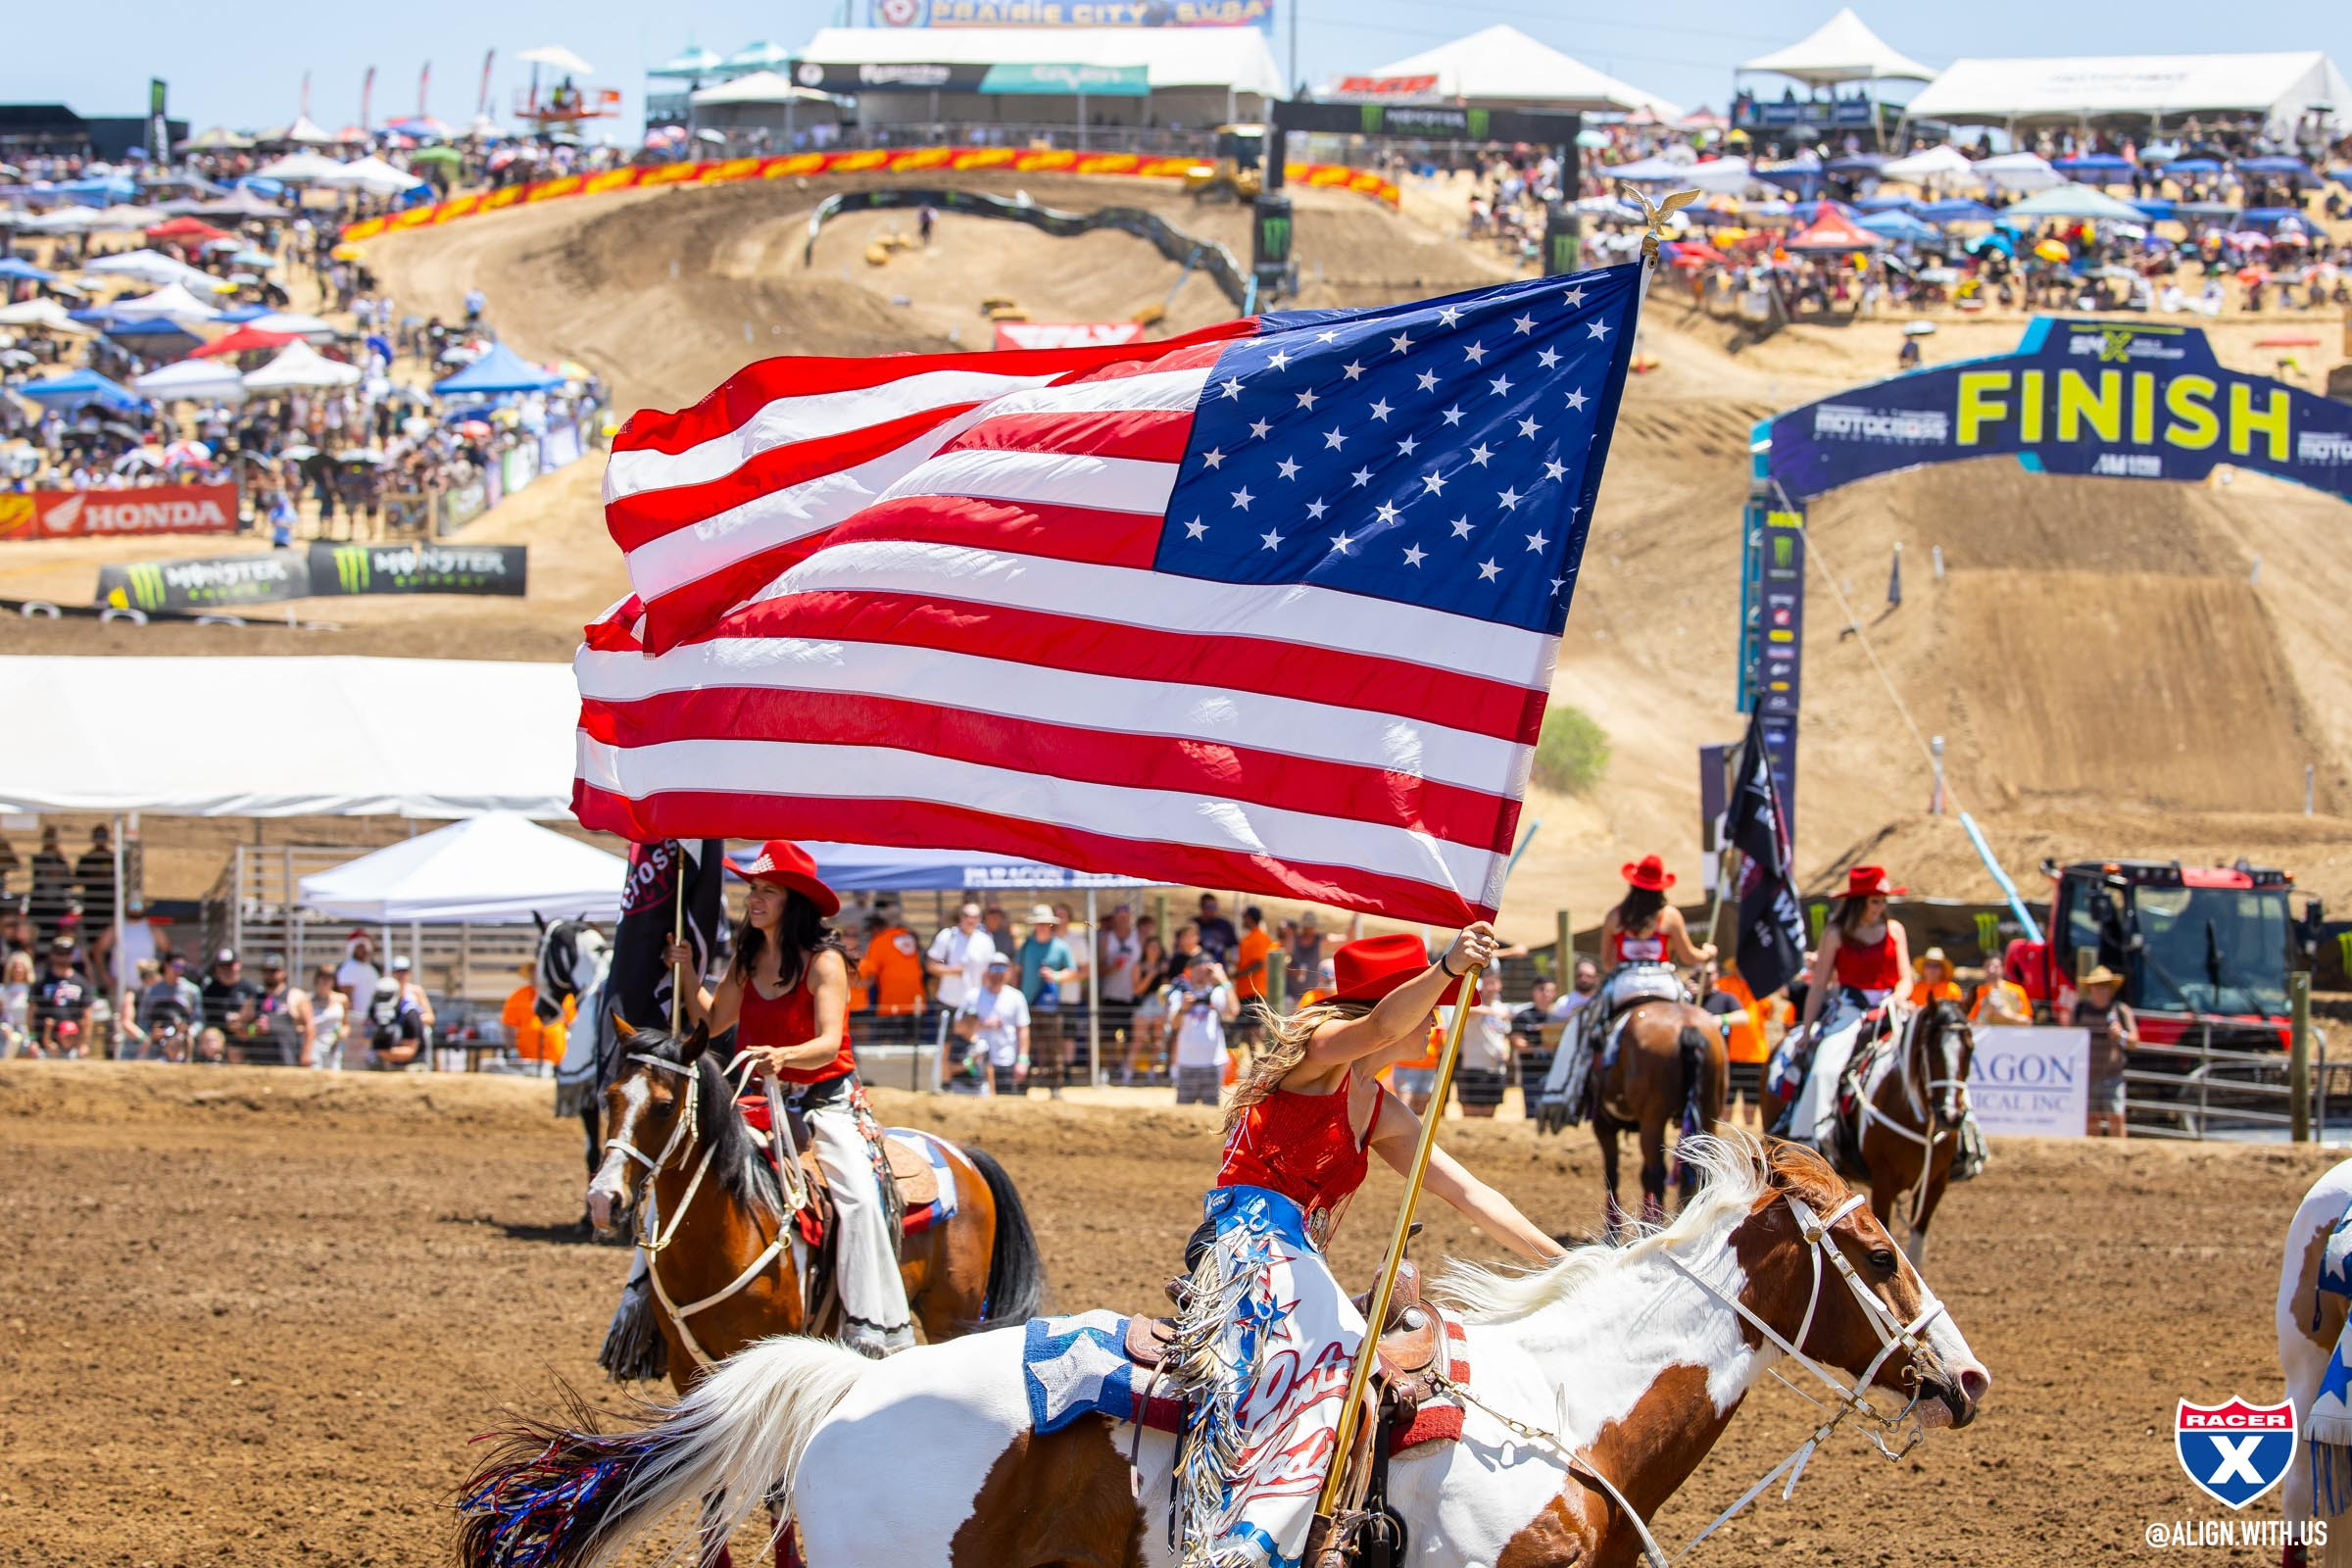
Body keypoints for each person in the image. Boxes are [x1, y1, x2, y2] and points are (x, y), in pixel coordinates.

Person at [1171, 924, 1565, 1565]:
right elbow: (1382, 1026)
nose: (1438, 1023)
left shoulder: (1381, 1109)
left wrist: (1566, 1263)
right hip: (1247, 1242)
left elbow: (1470, 1194)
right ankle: (1248, 1544)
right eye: (1430, 1008)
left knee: (1364, 1373)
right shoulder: (1322, 1051)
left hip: (1296, 1257)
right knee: (1336, 1362)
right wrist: (1444, 967)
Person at [665, 839, 913, 1357]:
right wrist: (686, 972)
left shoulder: (824, 962)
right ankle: (646, 1312)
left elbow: (828, 1040)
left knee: (859, 1199)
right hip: (757, 1100)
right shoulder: (746, 960)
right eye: (752, 889)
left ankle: (871, 1328)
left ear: (792, 900)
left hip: (826, 1103)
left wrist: (784, 1055)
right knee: (680, 1173)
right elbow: (712, 1022)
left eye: (766, 891)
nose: (753, 899)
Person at [1547, 856, 1714, 1124]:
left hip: (1625, 982)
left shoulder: (1616, 916)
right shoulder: (1670, 916)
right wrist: (1706, 953)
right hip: (1664, 981)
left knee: (1586, 1024)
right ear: (1661, 887)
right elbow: (1688, 956)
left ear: (1633, 885)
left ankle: (1566, 1092)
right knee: (1692, 1016)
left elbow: (1607, 961)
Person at [1772, 865, 1911, 1136]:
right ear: (1859, 902)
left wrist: (1897, 997)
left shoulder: (1895, 930)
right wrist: (1808, 1029)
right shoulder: (1835, 933)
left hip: (1892, 1008)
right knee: (1823, 1071)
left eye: (1884, 900)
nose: (1881, 906)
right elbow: (1819, 985)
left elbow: (1906, 979)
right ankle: (1811, 1137)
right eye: (1875, 901)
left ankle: (1961, 1140)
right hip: (1851, 1012)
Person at [1015, 905, 1076, 1098]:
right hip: (1027, 1003)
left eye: (1044, 924)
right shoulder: (1026, 946)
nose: (1041, 927)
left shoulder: (1060, 946)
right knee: (1027, 1046)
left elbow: (1072, 971)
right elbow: (1017, 971)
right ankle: (1024, 1086)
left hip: (1050, 1005)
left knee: (1053, 1047)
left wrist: (1055, 976)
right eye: (1038, 924)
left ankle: (1055, 1087)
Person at [1167, 950, 1239, 1105]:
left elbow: (1233, 1011)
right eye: (1198, 970)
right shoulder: (1180, 994)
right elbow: (1173, 1025)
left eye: (1206, 971)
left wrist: (1224, 980)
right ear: (1190, 970)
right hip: (1186, 1063)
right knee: (1183, 1114)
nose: (1201, 975)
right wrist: (1182, 1009)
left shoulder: (1218, 993)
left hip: (1212, 1064)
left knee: (1211, 1113)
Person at [955, 952, 1030, 1096]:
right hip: (977, 1062)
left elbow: (1023, 1030)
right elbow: (958, 1027)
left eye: (1002, 968)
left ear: (1009, 971)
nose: (998, 973)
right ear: (987, 971)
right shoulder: (972, 996)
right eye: (994, 968)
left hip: (1006, 1061)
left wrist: (1023, 1060)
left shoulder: (1016, 997)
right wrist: (983, 1025)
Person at [2075, 964, 2134, 1137]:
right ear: (2090, 988)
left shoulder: (2120, 1011)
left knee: (2116, 1116)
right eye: (2097, 986)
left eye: (2105, 986)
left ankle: (2118, 1155)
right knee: (2090, 1119)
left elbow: (2134, 1041)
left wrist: (2120, 1034)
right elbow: (2069, 1038)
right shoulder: (2080, 1011)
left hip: (2112, 1073)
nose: (2101, 990)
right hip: (2088, 1074)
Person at [856, 909, 927, 1047]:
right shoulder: (908, 936)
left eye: (870, 931)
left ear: (876, 928)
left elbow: (869, 973)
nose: (870, 934)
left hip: (891, 1001)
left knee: (886, 1043)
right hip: (915, 999)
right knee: (912, 1044)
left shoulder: (878, 940)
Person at [1452, 968, 1515, 1117]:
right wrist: (1491, 1012)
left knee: (1490, 1114)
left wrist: (1507, 1051)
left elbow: (1505, 1035)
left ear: (1500, 985)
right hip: (1474, 1066)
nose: (1490, 987)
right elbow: (1465, 1010)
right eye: (1487, 984)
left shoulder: (1503, 1008)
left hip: (1496, 1068)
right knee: (1470, 1114)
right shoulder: (1474, 1003)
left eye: (1493, 983)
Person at [924, 903, 996, 1026]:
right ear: (960, 917)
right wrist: (951, 971)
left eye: (974, 917)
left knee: (973, 1042)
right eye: (966, 916)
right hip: (949, 1000)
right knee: (946, 1042)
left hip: (975, 1002)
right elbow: (930, 966)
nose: (970, 920)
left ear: (979, 919)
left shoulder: (985, 940)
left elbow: (990, 971)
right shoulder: (947, 936)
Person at [31, 936, 96, 1056]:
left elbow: (87, 1014)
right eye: (59, 953)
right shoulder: (41, 981)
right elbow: (31, 1011)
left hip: (73, 1045)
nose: (63, 957)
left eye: (67, 953)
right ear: (52, 954)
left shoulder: (81, 982)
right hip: (44, 1044)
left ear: (72, 955)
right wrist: (32, 1039)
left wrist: (85, 1043)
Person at [245, 954, 314, 1067]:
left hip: (287, 1061)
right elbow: (239, 1028)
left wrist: (306, 1053)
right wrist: (253, 1029)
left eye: (273, 971)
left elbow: (310, 1027)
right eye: (266, 971)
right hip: (258, 1064)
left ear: (283, 972)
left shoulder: (295, 996)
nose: (269, 975)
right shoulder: (254, 999)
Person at [1231, 906, 1275, 1048]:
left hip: (1255, 989)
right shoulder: (1248, 938)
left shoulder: (1260, 937)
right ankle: (1254, 1062)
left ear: (1249, 918)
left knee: (1256, 1029)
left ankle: (1271, 1054)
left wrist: (1238, 974)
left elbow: (1258, 964)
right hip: (1245, 990)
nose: (1243, 919)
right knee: (1248, 1029)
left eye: (1244, 916)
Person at [201, 949, 259, 1039]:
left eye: (229, 965)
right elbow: (204, 1019)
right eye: (222, 966)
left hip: (244, 1042)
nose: (226, 970)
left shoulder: (250, 990)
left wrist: (243, 1026)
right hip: (215, 1043)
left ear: (238, 965)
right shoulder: (209, 990)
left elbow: (255, 1026)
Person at [1971, 950, 2033, 1026]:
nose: (1991, 970)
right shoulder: (1976, 992)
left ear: (2003, 968)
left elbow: (2027, 1021)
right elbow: (1970, 1022)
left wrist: (2006, 1015)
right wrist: (1986, 1015)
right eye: (1987, 966)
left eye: (1995, 967)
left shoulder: (2017, 990)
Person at [336, 933, 382, 1028]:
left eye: (365, 947)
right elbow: (346, 997)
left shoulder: (371, 968)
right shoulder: (348, 969)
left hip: (372, 1018)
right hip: (357, 1019)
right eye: (360, 947)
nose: (364, 950)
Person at [309, 964, 348, 1071]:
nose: (326, 980)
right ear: (317, 979)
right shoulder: (308, 1001)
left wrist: (343, 1032)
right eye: (323, 976)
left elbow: (345, 1025)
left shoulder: (342, 999)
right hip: (315, 1045)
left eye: (330, 977)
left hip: (334, 1045)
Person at [1193, 894, 1238, 963]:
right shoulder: (1194, 924)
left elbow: (1233, 945)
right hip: (1198, 966)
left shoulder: (1225, 924)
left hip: (1220, 966)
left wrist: (1233, 961)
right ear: (1202, 907)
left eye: (1215, 906)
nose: (1213, 910)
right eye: (1209, 907)